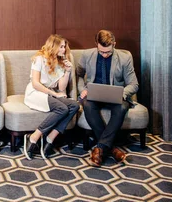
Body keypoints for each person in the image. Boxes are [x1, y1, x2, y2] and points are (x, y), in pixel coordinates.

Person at [76, 29, 139, 167]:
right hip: (94, 96)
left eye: (108, 52)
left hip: (116, 97)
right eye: (101, 52)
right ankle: (111, 149)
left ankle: (100, 148)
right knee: (87, 105)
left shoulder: (124, 58)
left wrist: (121, 93)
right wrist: (83, 90)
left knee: (122, 107)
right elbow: (79, 74)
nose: (104, 55)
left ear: (114, 44)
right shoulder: (87, 55)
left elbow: (134, 84)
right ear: (96, 45)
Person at [22, 35, 79, 160]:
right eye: (61, 46)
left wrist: (68, 71)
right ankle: (34, 136)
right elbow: (36, 83)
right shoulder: (39, 59)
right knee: (62, 108)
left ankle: (51, 137)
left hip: (51, 93)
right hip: (36, 92)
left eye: (65, 47)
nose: (64, 50)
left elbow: (62, 88)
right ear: (53, 46)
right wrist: (54, 94)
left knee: (75, 105)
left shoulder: (60, 62)